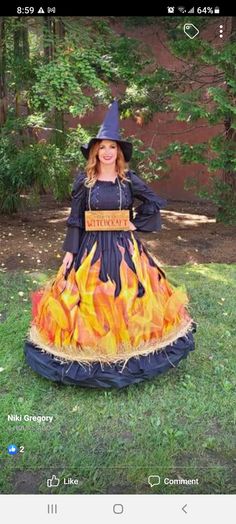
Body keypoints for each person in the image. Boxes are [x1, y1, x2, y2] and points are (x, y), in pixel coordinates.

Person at [24, 100, 196, 388]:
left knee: (127, 297)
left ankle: (129, 350)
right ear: (94, 152)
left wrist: (135, 222)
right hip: (90, 251)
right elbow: (75, 219)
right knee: (89, 298)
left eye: (112, 147)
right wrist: (69, 252)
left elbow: (154, 201)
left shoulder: (128, 180)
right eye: (101, 147)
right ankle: (91, 351)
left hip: (124, 250)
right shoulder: (85, 182)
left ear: (119, 152)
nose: (106, 152)